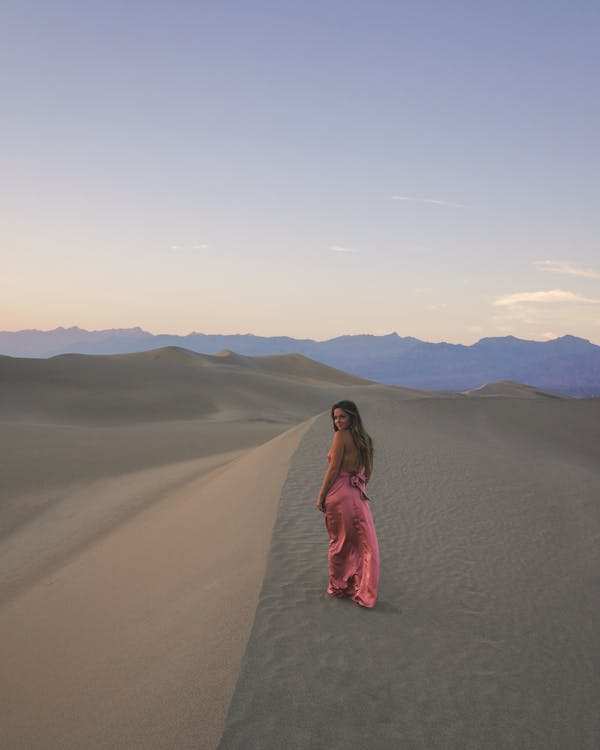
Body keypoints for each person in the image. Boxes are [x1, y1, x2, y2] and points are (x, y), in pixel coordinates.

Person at [316, 400, 380, 608]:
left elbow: (333, 469)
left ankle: (339, 586)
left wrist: (321, 495)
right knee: (361, 542)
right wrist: (357, 486)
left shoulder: (340, 436)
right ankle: (360, 587)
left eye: (342, 416)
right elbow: (368, 471)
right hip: (357, 493)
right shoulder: (365, 440)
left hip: (339, 492)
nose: (338, 421)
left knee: (340, 541)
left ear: (352, 416)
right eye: (335, 418)